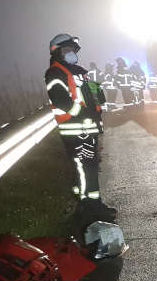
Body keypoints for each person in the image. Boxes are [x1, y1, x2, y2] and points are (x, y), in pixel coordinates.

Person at [45, 34, 116, 220]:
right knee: (86, 167)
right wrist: (82, 112)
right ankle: (90, 207)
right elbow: (61, 99)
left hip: (87, 129)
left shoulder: (79, 71)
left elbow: (93, 96)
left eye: (73, 51)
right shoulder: (54, 73)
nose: (72, 54)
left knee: (87, 167)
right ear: (58, 52)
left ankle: (86, 201)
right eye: (67, 50)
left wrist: (97, 94)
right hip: (75, 129)